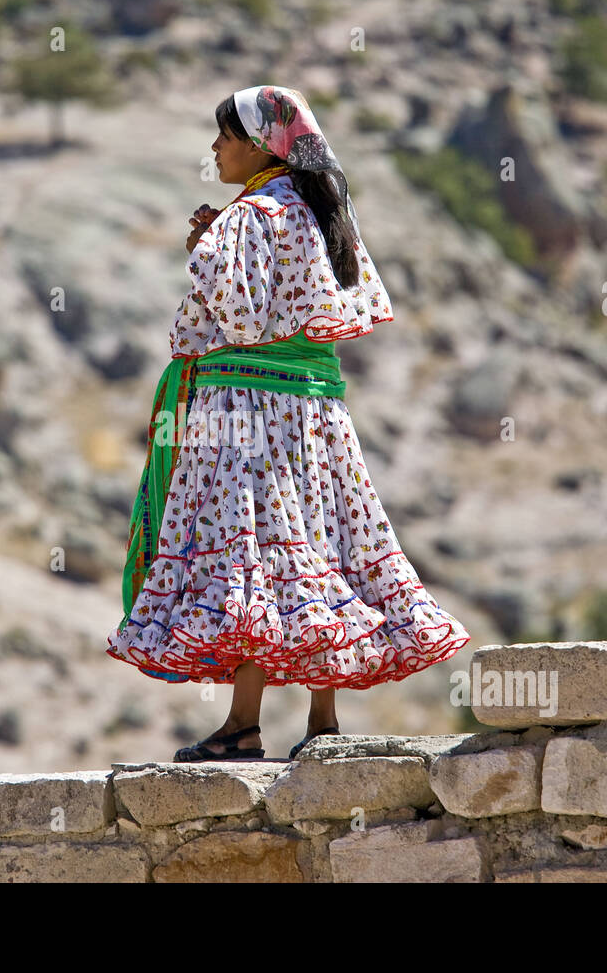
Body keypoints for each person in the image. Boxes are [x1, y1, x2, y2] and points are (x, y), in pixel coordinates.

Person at [106, 85, 470, 762]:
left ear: (258, 145)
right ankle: (322, 723)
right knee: (317, 544)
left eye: (224, 137)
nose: (214, 149)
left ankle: (243, 724)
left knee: (252, 551)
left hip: (248, 410)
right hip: (315, 409)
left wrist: (209, 243)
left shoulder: (250, 216)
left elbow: (240, 321)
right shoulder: (316, 210)